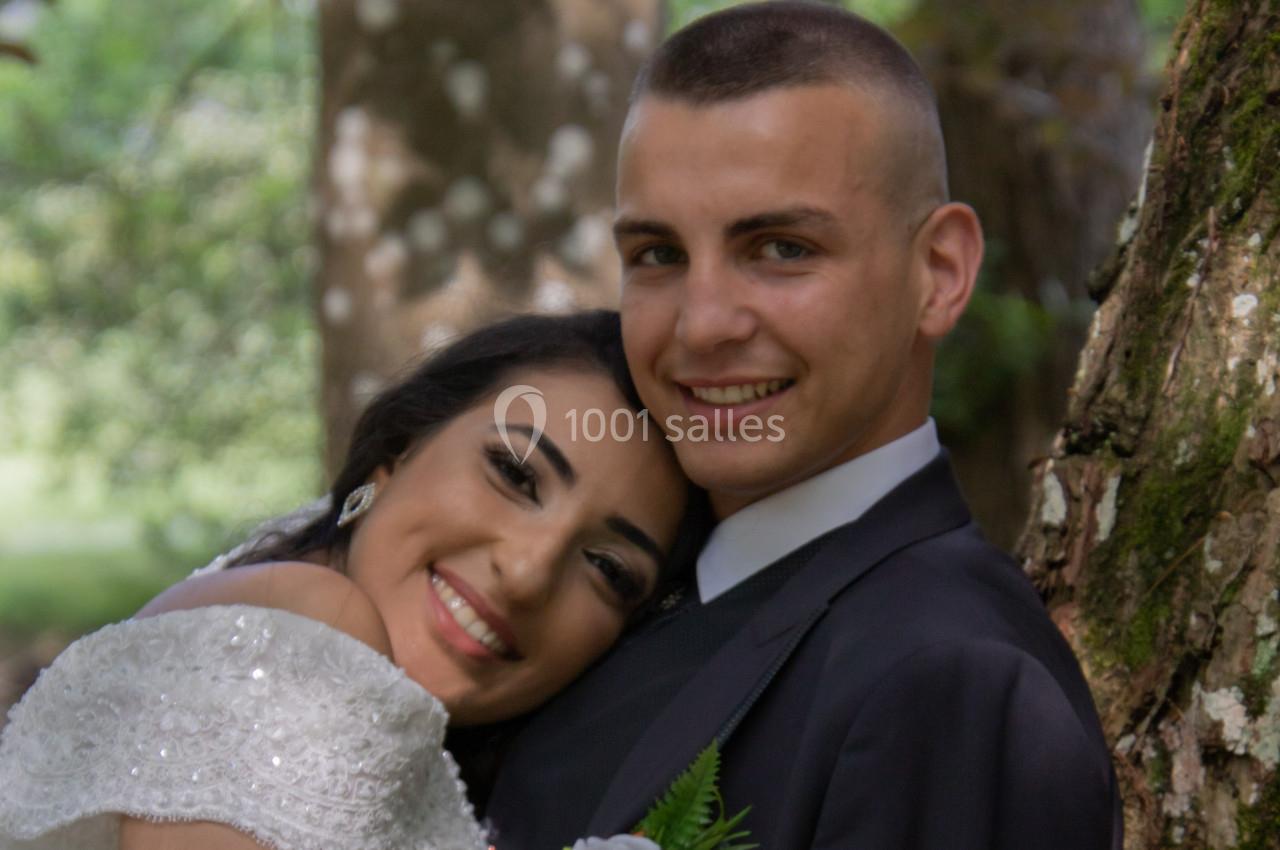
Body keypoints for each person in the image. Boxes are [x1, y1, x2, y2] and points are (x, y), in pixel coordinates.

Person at [482, 4, 1122, 849]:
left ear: (938, 273)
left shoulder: (949, 682)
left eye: (781, 248)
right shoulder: (600, 585)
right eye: (659, 255)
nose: (703, 324)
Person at [0, 310, 710, 850]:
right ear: (396, 453)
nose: (526, 574)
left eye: (608, 569)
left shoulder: (294, 583)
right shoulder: (311, 629)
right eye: (515, 473)